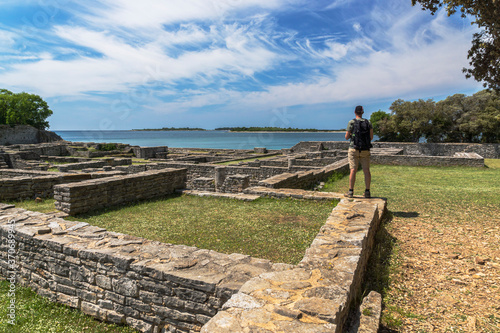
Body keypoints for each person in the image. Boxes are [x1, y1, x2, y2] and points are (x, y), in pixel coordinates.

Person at [345, 105, 373, 198]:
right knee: (366, 170)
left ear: (354, 112)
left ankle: (350, 191)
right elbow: (371, 137)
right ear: (362, 112)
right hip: (365, 149)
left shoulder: (351, 122)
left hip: (353, 148)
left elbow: (346, 137)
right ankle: (367, 191)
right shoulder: (368, 122)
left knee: (353, 170)